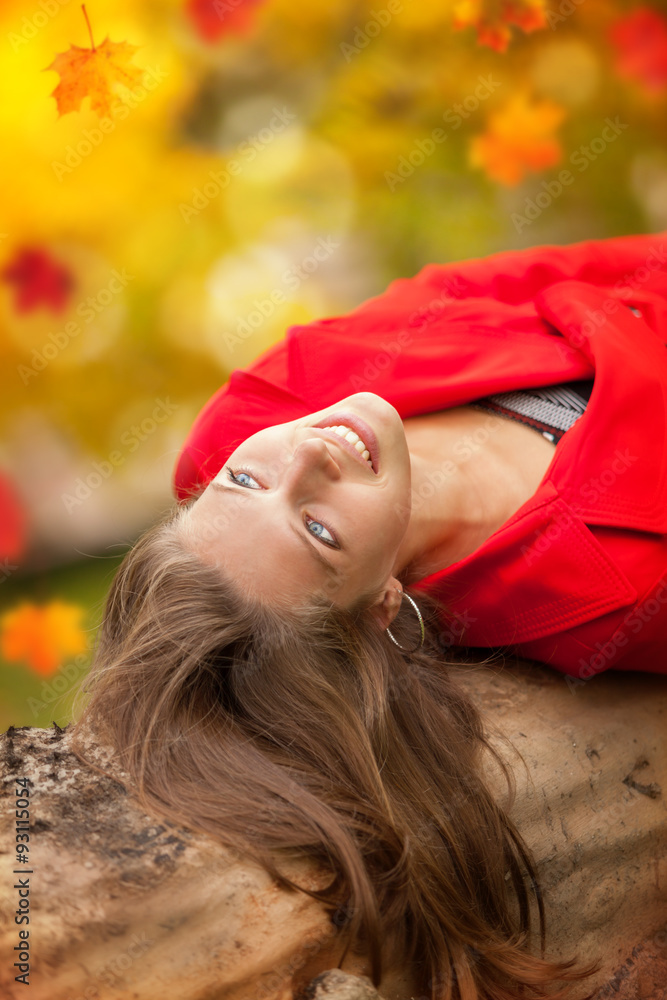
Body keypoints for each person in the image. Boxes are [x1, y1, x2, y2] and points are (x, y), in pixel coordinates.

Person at [73, 231, 667, 1000]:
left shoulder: (256, 412)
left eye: (245, 480)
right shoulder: (612, 592)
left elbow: (471, 283)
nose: (309, 459)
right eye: (320, 531)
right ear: (381, 605)